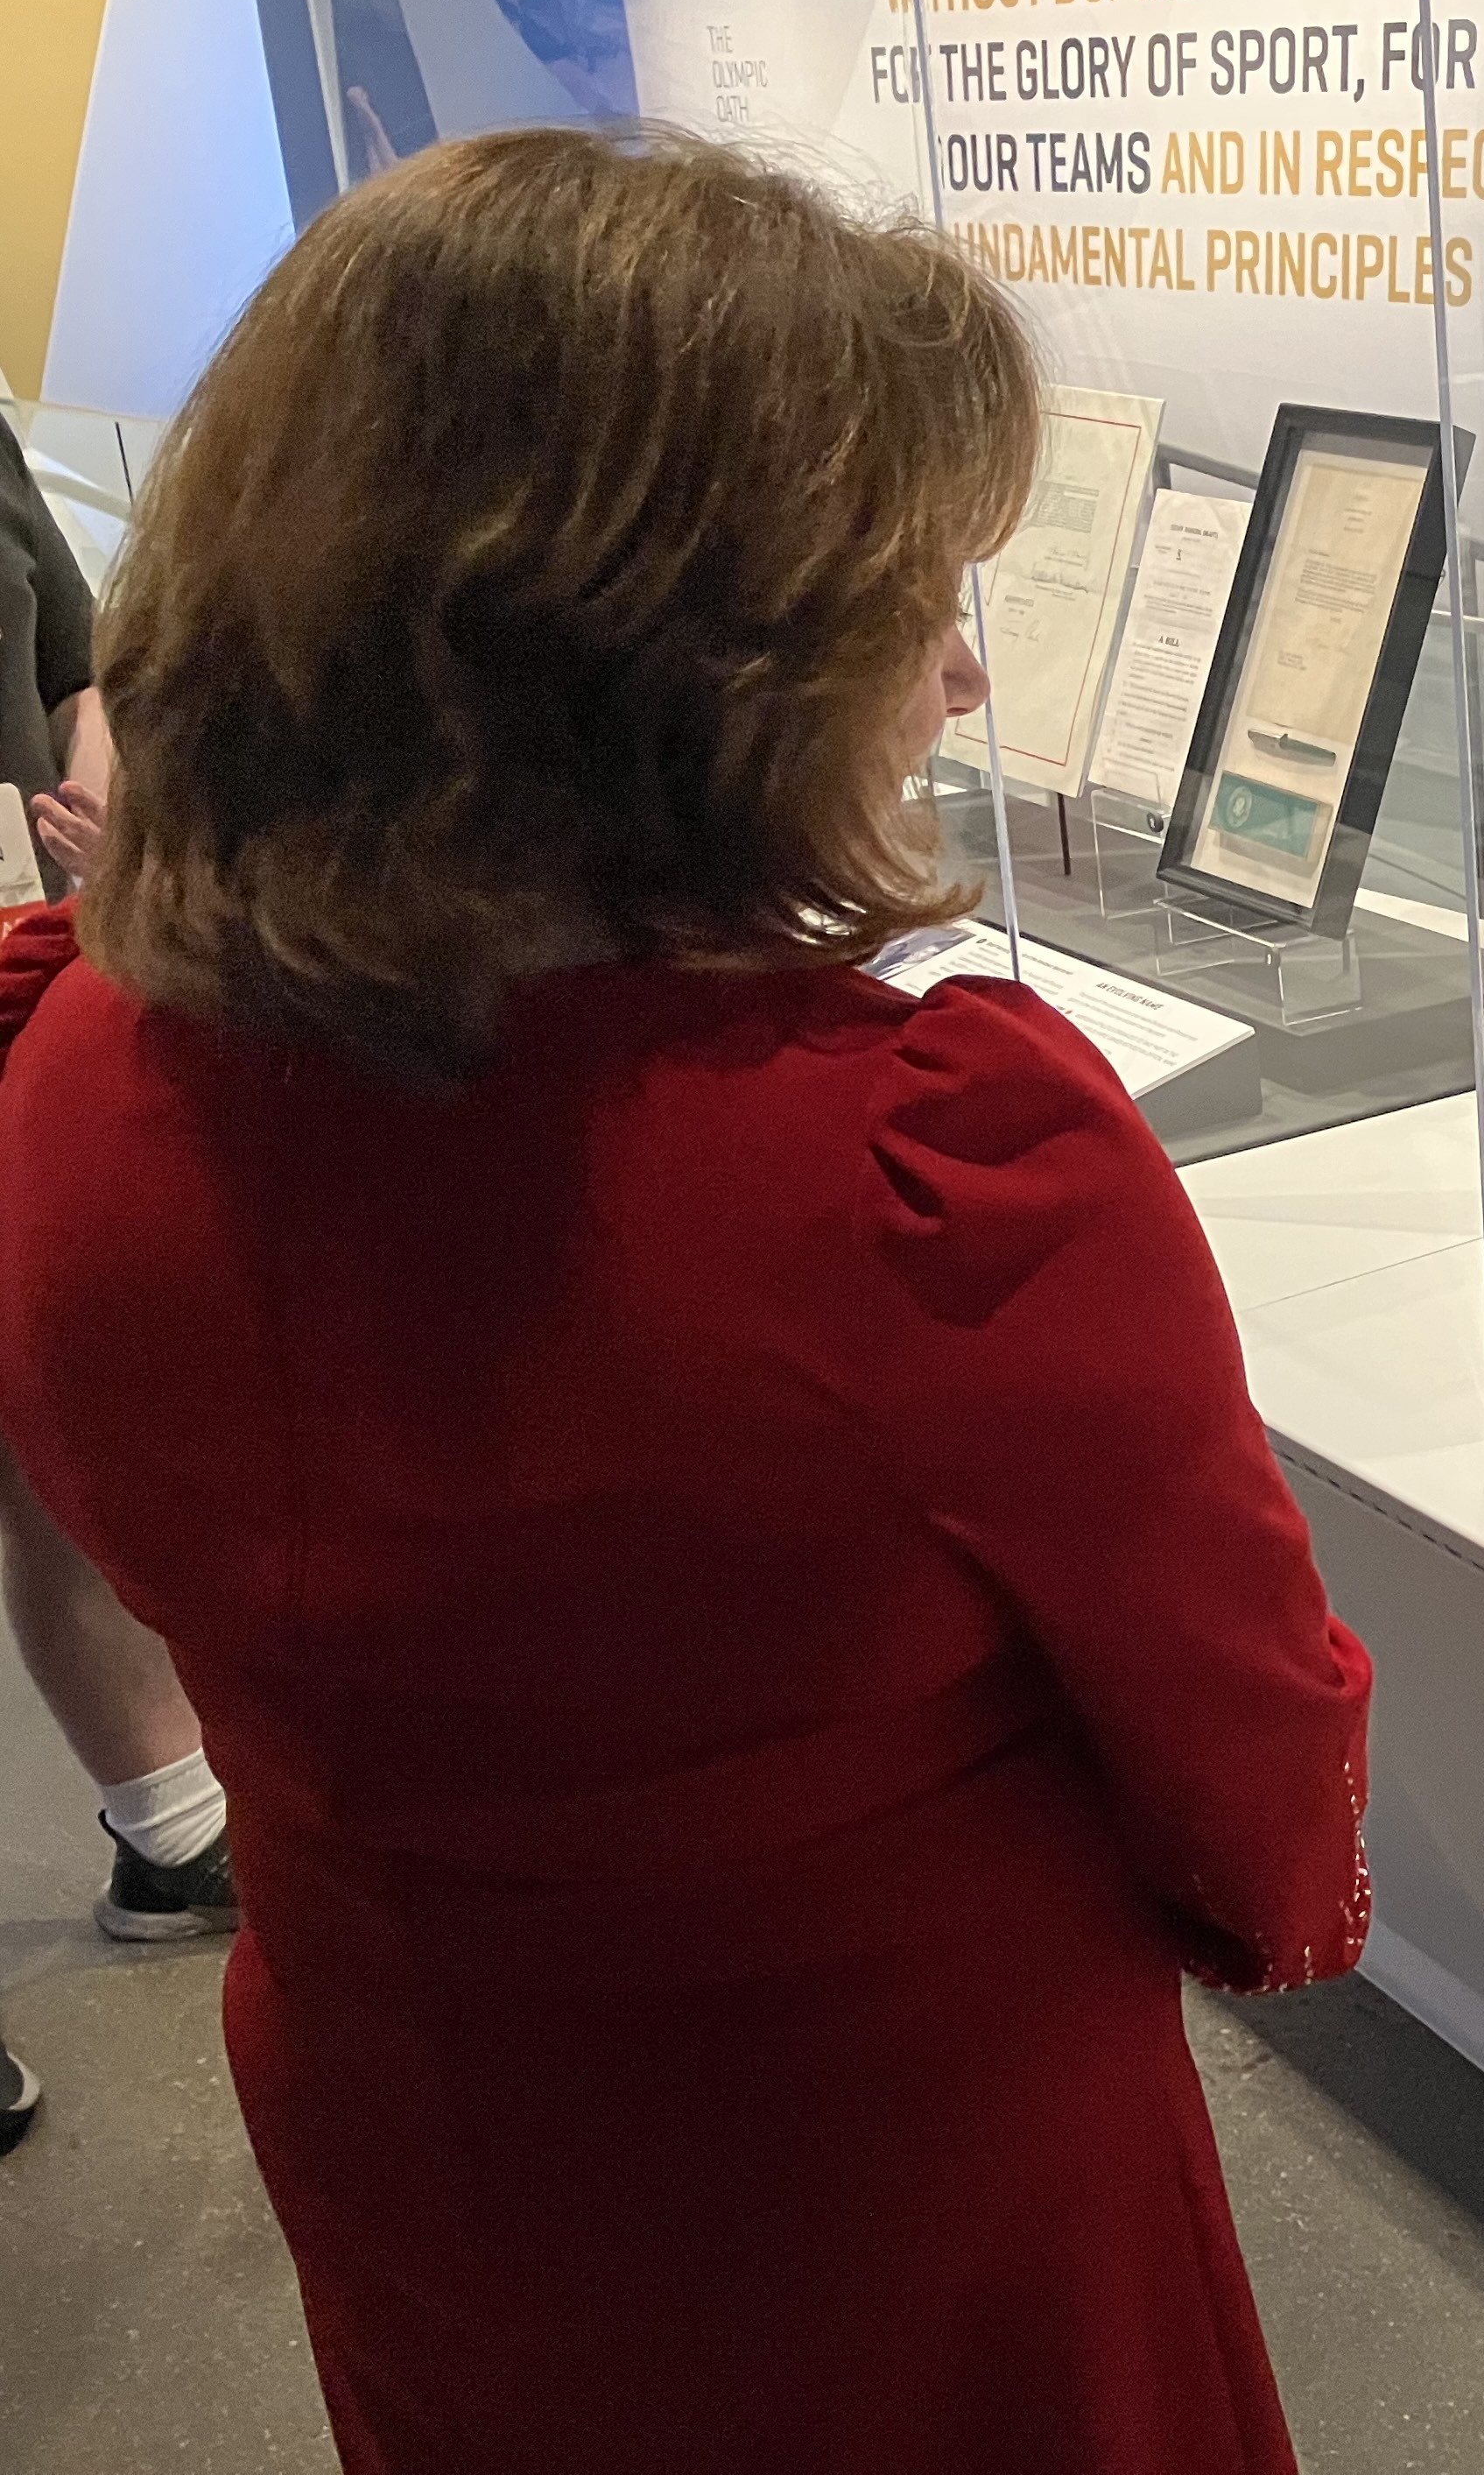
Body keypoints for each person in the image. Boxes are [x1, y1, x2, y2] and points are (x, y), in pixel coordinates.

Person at [0, 125, 1375, 2471]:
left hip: (394, 2086)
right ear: (652, 655)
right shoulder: (927, 1172)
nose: (956, 668)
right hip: (882, 2161)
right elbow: (1242, 1726)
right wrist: (1270, 1912)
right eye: (902, 596)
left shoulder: (74, 1063)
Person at [0, 411, 230, 2162]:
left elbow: (73, 654)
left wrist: (96, 835)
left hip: (25, 954)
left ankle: (167, 1823)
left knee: (43, 1423)